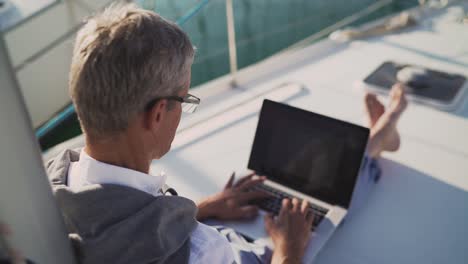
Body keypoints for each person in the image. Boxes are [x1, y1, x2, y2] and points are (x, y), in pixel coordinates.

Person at [45, 3, 407, 264]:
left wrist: (200, 209)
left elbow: (117, 234)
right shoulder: (202, 252)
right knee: (324, 208)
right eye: (184, 98)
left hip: (207, 231)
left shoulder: (50, 185)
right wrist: (289, 248)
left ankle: (375, 140)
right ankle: (377, 139)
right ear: (158, 114)